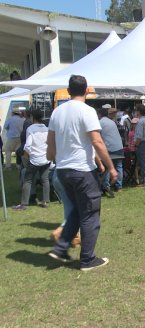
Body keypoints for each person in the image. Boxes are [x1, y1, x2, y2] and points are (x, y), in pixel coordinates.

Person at [47, 75, 117, 271]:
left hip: (62, 170)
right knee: (90, 214)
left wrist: (54, 159)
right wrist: (110, 167)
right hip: (83, 170)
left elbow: (50, 145)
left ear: (68, 91)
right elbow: (96, 141)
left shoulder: (56, 112)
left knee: (77, 211)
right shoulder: (87, 111)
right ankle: (88, 260)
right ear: (86, 91)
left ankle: (61, 248)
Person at [12, 109, 50, 210]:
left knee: (28, 180)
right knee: (45, 179)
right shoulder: (46, 128)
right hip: (45, 158)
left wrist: (26, 156)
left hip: (35, 159)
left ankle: (24, 204)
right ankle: (45, 201)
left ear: (33, 117)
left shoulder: (31, 129)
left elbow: (28, 145)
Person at [98, 106, 124, 195]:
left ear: (99, 115)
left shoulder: (100, 122)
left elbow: (98, 137)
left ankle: (106, 186)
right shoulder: (112, 122)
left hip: (109, 147)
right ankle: (119, 186)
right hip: (119, 146)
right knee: (119, 166)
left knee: (107, 167)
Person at [134, 104, 145, 187]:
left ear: (138, 112)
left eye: (136, 111)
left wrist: (136, 145)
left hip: (142, 144)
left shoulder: (140, 122)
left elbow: (139, 136)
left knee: (143, 164)